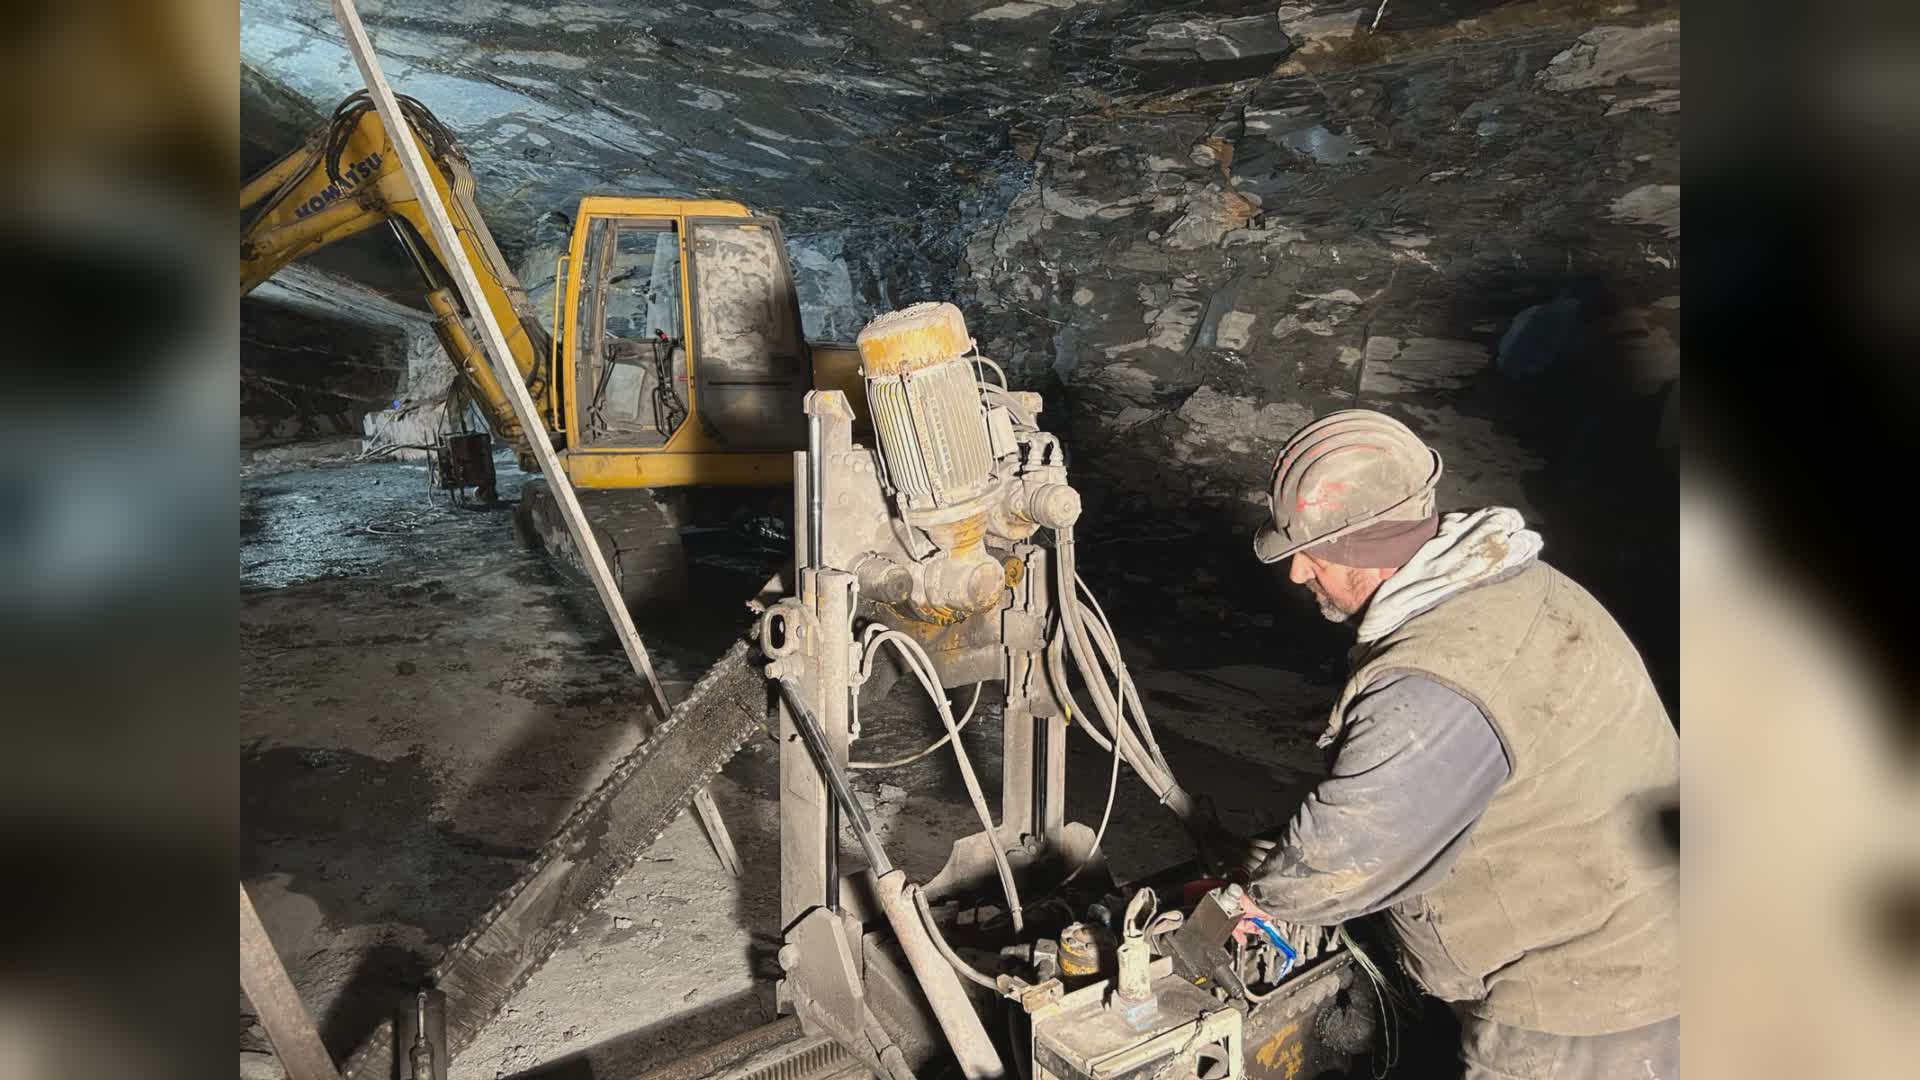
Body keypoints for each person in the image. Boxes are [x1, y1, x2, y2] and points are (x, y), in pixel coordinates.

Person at [1234, 409, 1679, 1079]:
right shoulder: (1520, 587)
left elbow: (1340, 865)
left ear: (1357, 548)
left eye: (1312, 554)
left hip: (1588, 1005)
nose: (1299, 574)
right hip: (1654, 938)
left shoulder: (1434, 680)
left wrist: (1258, 901)